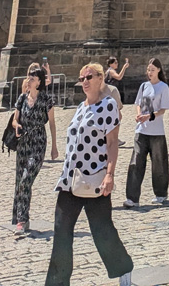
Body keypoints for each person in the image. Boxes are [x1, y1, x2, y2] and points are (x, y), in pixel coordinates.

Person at [44, 61, 133, 286]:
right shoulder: (81, 107)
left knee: (103, 232)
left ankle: (123, 269)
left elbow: (112, 143)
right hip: (71, 179)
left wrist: (110, 175)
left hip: (95, 178)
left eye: (89, 77)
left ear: (100, 79)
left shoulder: (109, 105)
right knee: (61, 232)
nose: (84, 81)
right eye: (82, 78)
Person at [11, 67, 59, 236]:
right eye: (29, 76)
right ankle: (22, 219)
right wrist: (16, 126)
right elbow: (14, 120)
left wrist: (54, 147)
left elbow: (52, 123)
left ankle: (22, 220)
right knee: (21, 182)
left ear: (39, 81)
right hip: (23, 143)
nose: (30, 79)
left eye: (33, 77)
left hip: (38, 143)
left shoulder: (46, 99)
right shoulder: (22, 98)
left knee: (26, 179)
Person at [124, 59, 169, 208]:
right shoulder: (144, 86)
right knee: (136, 163)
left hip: (156, 131)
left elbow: (163, 109)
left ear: (158, 70)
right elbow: (138, 103)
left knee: (159, 164)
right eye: (148, 69)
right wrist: (139, 115)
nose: (149, 72)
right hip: (141, 130)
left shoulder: (163, 87)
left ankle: (160, 194)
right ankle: (132, 198)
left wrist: (149, 116)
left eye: (152, 69)